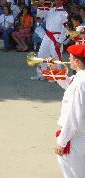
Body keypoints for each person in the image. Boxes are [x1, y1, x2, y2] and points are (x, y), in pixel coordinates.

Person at [41, 45, 85, 178]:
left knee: (73, 174)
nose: (68, 60)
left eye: (70, 58)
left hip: (76, 137)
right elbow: (68, 83)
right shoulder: (79, 79)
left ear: (77, 62)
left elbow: (74, 117)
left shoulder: (79, 84)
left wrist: (62, 141)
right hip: (81, 133)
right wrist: (54, 69)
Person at [31, 0, 68, 80]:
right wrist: (40, 5)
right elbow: (40, 15)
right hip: (47, 35)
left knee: (55, 56)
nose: (55, 0)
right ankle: (41, 74)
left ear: (62, 1)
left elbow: (65, 28)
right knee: (41, 54)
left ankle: (57, 76)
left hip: (57, 36)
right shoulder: (51, 9)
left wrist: (60, 41)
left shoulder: (64, 13)